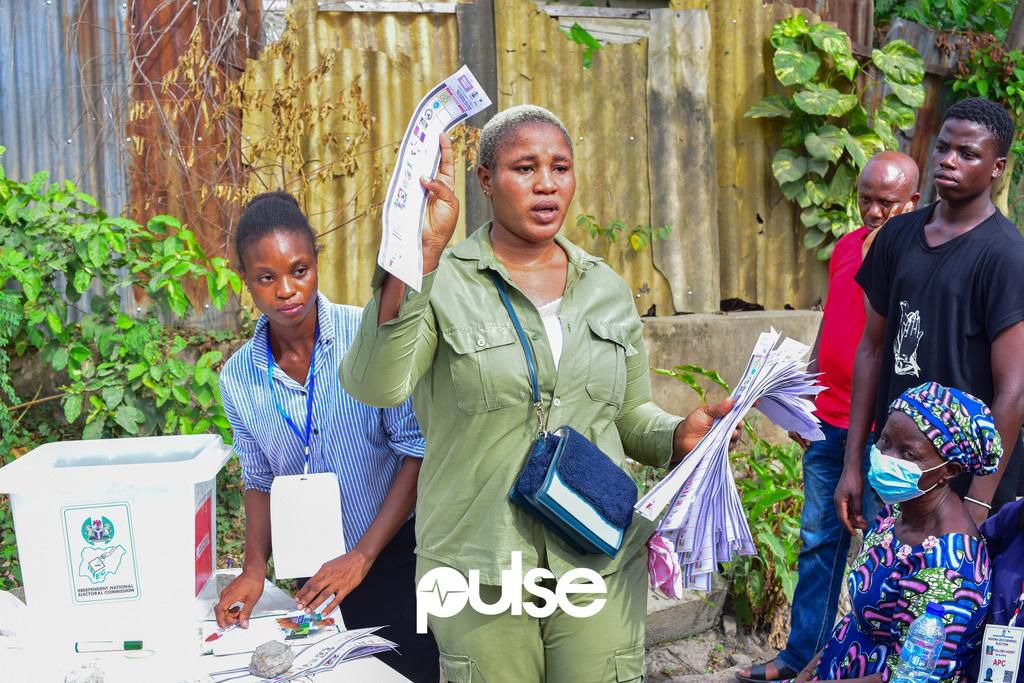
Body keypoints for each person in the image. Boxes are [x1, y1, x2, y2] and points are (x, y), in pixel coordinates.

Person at [340, 105, 739, 682]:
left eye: (560, 167)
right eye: (525, 168)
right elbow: (375, 385)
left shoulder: (606, 288)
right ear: (485, 180)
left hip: (593, 554)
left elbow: (628, 415)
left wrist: (678, 435)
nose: (546, 183)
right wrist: (417, 258)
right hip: (477, 563)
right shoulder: (439, 280)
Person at [213, 192, 440, 683]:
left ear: (316, 263)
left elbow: (416, 451)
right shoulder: (238, 378)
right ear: (245, 280)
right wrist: (253, 570)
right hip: (311, 574)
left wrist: (361, 557)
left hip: (394, 559)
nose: (286, 290)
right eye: (266, 278)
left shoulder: (368, 338)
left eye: (299, 270)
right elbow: (258, 480)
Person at [740, 152, 921, 682]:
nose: (873, 212)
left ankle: (876, 667)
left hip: (886, 434)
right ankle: (802, 658)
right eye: (866, 200)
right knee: (819, 541)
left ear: (913, 201)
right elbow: (832, 321)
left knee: (888, 550)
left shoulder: (918, 256)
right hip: (830, 422)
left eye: (887, 203)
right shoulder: (845, 247)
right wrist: (806, 398)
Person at [835, 98, 1024, 539]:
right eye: (943, 148)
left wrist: (978, 503)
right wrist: (853, 463)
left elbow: (1013, 390)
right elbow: (872, 349)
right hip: (896, 475)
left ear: (996, 168)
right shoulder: (896, 237)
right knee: (886, 579)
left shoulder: (1006, 256)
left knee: (956, 585)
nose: (948, 160)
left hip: (966, 486)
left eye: (967, 154)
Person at [791, 382, 1000, 682]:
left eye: (908, 454)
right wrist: (807, 671)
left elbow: (908, 677)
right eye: (885, 441)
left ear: (949, 470)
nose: (888, 458)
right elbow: (857, 619)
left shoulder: (948, 568)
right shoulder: (896, 512)